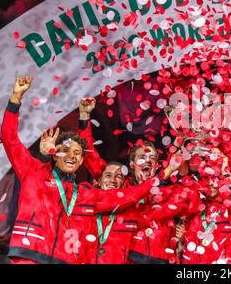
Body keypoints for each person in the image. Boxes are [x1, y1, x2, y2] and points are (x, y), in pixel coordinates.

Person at [0, 76, 157, 264]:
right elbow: (9, 139)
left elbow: (125, 196)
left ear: (82, 160)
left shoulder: (86, 195)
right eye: (65, 150)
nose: (71, 156)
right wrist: (15, 99)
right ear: (54, 153)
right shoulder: (34, 172)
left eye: (77, 153)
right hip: (29, 256)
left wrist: (158, 178)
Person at [77, 97, 200, 264]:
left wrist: (191, 154)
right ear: (132, 164)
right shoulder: (120, 186)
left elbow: (194, 201)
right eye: (142, 157)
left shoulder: (170, 191)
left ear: (157, 166)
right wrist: (84, 118)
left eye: (152, 158)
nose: (147, 161)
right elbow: (90, 156)